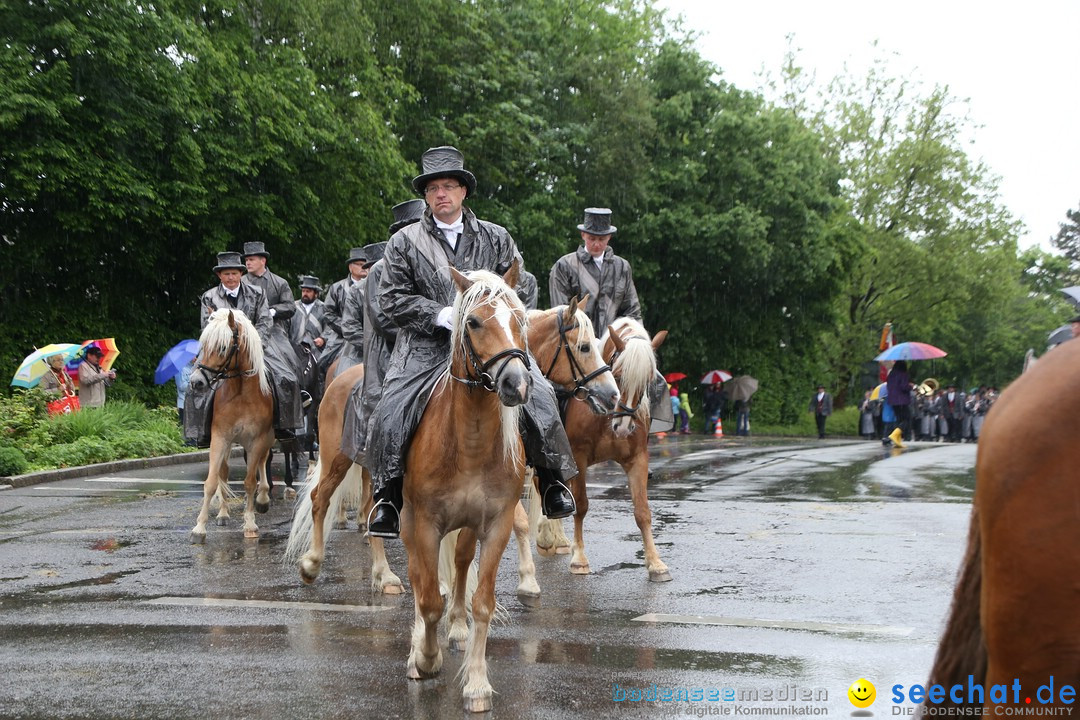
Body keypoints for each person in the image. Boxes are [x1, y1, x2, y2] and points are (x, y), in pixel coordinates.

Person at [365, 145, 577, 538]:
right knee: (390, 406)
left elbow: (522, 285)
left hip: (491, 342)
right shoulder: (405, 242)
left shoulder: (496, 237)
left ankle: (551, 482)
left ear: (463, 191)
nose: (440, 193)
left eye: (448, 186)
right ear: (426, 196)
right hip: (427, 346)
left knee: (541, 394)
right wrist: (443, 315)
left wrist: (498, 320)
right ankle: (388, 498)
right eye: (433, 188)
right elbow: (390, 298)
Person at [341, 200, 425, 465]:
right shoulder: (379, 270)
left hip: (433, 348)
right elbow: (382, 320)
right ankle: (385, 480)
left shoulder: (437, 263)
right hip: (391, 353)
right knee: (388, 414)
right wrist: (429, 329)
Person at [240, 241, 306, 434]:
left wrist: (272, 311)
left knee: (291, 360)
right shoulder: (241, 282)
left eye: (251, 259)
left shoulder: (279, 282)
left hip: (275, 331)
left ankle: (296, 401)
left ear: (263, 260)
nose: (248, 263)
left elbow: (291, 307)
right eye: (246, 260)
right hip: (247, 329)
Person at [549, 207, 641, 333]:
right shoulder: (564, 266)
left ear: (609, 237)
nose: (597, 244)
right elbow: (561, 313)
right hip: (577, 341)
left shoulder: (622, 267)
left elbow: (632, 312)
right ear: (583, 235)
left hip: (613, 345)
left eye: (601, 239)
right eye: (592, 238)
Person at [320, 247, 368, 380]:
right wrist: (345, 328)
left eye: (366, 263)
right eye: (359, 264)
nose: (363, 267)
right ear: (350, 267)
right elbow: (328, 312)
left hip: (368, 334)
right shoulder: (337, 288)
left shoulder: (374, 285)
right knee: (323, 363)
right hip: (340, 336)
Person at [290, 275, 327, 360]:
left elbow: (329, 328)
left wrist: (323, 338)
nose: (305, 294)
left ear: (316, 294)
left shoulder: (324, 308)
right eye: (303, 291)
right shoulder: (293, 307)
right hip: (294, 348)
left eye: (308, 291)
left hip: (316, 350)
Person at [885, 360, 914, 441]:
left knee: (899, 419)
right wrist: (910, 386)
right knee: (907, 419)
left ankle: (897, 438)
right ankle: (893, 435)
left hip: (893, 400)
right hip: (902, 400)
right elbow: (904, 387)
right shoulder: (903, 374)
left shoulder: (891, 374)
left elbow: (888, 386)